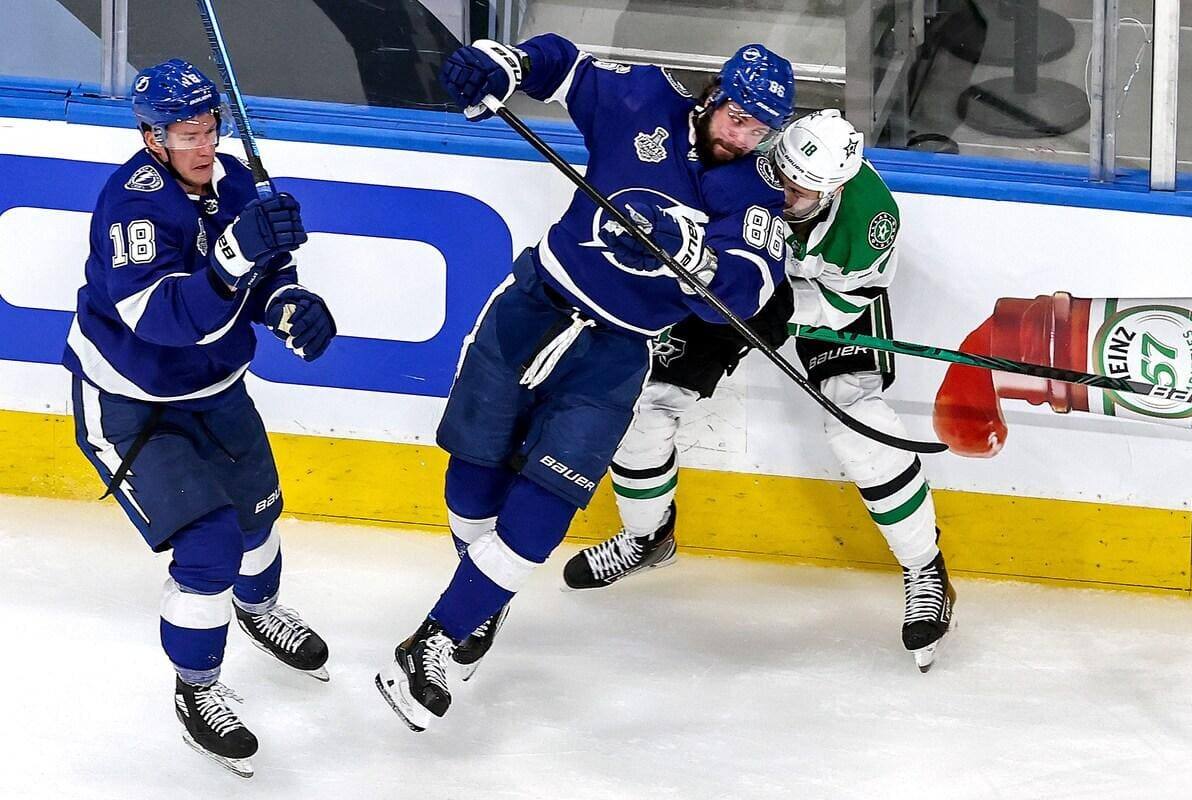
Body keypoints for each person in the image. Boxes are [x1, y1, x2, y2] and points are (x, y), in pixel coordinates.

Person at [375, 34, 794, 730]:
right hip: (532, 309)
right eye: (738, 117)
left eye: (759, 129)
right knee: (472, 481)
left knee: (550, 503)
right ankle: (481, 602)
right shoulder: (644, 99)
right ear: (714, 94)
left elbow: (748, 288)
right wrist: (506, 64)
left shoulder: (755, 194)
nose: (743, 137)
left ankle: (437, 638)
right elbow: (562, 65)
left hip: (615, 356)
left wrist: (695, 258)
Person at [562, 110, 955, 673]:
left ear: (835, 189)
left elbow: (847, 301)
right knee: (644, 410)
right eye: (782, 175)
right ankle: (648, 538)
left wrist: (782, 308)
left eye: (803, 189)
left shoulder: (870, 218)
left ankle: (925, 567)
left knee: (859, 423)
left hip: (821, 297)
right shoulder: (741, 163)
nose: (786, 193)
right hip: (730, 280)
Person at [63, 59, 337, 777]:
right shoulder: (132, 206)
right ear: (151, 137)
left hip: (216, 390)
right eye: (187, 133)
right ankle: (197, 689)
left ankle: (259, 609)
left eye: (210, 128)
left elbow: (265, 274)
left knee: (258, 518)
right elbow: (161, 320)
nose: (204, 145)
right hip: (130, 403)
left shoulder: (233, 181)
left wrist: (288, 303)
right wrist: (234, 258)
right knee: (210, 545)